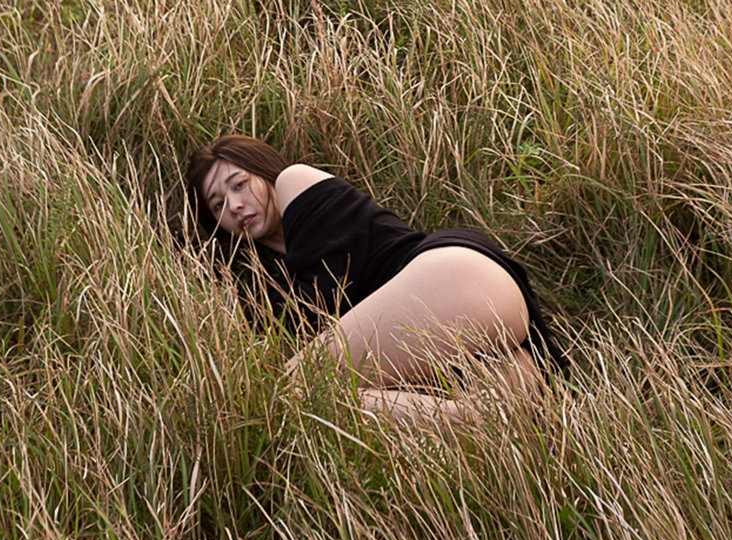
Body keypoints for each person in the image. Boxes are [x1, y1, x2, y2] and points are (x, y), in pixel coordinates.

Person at [186, 134, 568, 428]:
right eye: (218, 204)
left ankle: (479, 415)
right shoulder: (277, 289)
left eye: (239, 184)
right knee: (318, 407)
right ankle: (483, 416)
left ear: (265, 170)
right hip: (484, 352)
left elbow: (326, 296)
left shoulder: (295, 183)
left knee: (297, 389)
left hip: (454, 278)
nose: (235, 206)